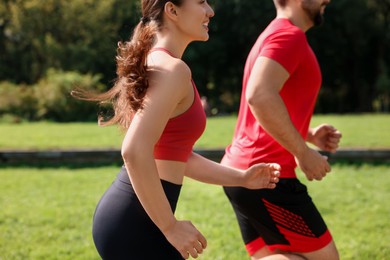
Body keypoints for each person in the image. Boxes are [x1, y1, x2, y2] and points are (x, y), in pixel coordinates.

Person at [72, 0, 281, 259]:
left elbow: (175, 155)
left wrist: (242, 178)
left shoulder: (163, 64)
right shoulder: (172, 70)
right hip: (135, 224)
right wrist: (169, 226)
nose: (210, 11)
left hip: (132, 217)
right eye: (201, 2)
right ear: (172, 10)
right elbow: (135, 150)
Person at [221, 0, 342, 259]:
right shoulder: (289, 36)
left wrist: (307, 134)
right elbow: (259, 95)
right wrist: (302, 151)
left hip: (244, 170)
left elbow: (263, 106)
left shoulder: (274, 33)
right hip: (267, 175)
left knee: (273, 255)